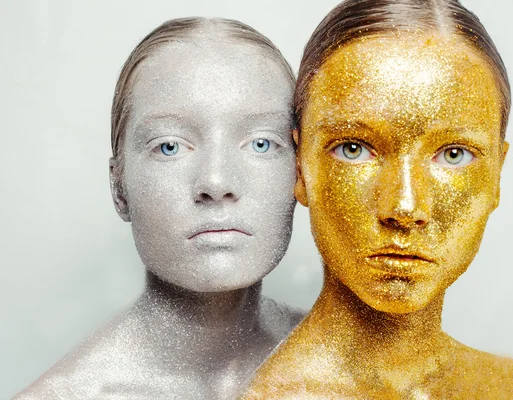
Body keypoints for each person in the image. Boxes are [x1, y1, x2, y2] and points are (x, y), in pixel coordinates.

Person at [243, 0, 513, 398]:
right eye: (354, 148)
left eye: (453, 154)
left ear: (497, 174)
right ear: (299, 168)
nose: (404, 208)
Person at [16, 17, 302, 399]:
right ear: (119, 189)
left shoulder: (368, 372)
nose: (216, 184)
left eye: (261, 144)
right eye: (169, 146)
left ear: (302, 173)